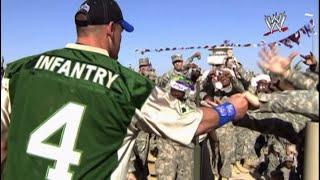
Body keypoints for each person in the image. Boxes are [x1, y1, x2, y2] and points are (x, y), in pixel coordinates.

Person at [1, 0, 248, 179]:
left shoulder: (21, 70)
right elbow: (192, 122)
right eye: (121, 31)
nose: (121, 38)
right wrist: (231, 109)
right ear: (111, 29)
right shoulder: (129, 86)